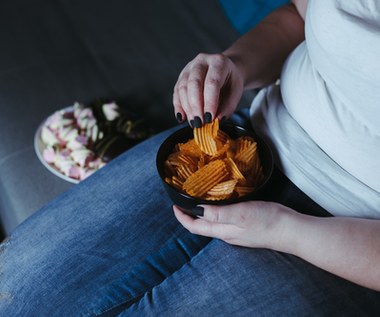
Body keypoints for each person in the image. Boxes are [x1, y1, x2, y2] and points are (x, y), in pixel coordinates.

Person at [1, 0, 379, 315]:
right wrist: (234, 65)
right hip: (247, 137)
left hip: (345, 239)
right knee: (15, 288)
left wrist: (287, 230)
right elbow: (300, 15)